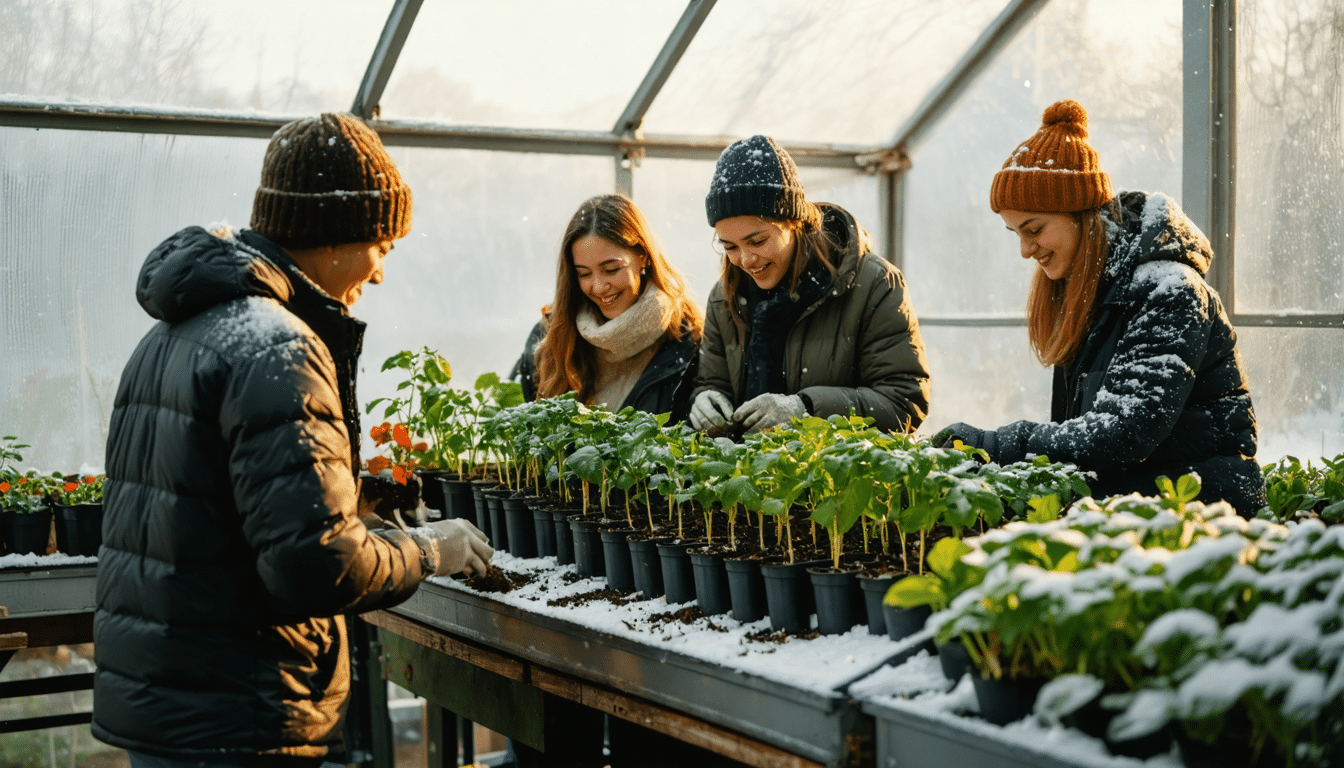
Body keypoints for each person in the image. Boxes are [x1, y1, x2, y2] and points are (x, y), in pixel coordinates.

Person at [93, 113, 493, 767]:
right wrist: (427, 550)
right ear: (335, 233)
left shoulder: (177, 332)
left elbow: (213, 510)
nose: (382, 273)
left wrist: (350, 501)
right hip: (239, 712)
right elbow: (316, 567)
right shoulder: (275, 345)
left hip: (175, 702)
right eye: (382, 247)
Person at [932, 99, 1267, 516]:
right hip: (1139, 518)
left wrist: (994, 447)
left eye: (1034, 229)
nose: (1024, 249)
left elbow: (1124, 429)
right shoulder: (1088, 296)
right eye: (1014, 233)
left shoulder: (1169, 292)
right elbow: (1081, 439)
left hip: (1203, 522)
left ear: (1081, 215)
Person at [688, 134, 931, 435]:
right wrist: (704, 401)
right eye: (730, 247)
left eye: (758, 240)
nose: (746, 260)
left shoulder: (873, 285)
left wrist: (805, 410)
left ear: (795, 221)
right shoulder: (724, 298)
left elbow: (903, 402)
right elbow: (712, 382)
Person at [515, 193, 703, 421]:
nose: (599, 287)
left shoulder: (689, 339)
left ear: (642, 256)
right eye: (584, 273)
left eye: (611, 269)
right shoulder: (550, 336)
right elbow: (523, 429)